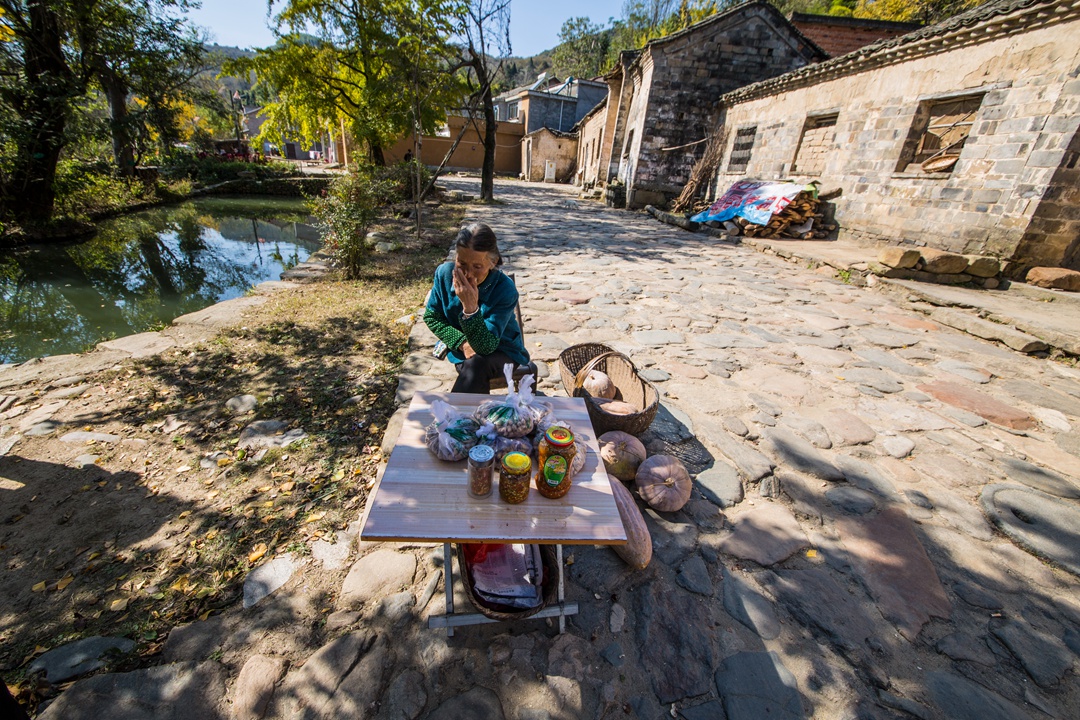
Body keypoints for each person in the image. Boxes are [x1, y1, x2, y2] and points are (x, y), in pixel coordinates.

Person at [424, 223, 530, 394]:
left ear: (493, 262)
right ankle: (472, 416)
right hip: (464, 349)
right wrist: (461, 342)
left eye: (477, 267)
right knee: (473, 366)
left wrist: (470, 309)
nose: (468, 274)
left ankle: (458, 415)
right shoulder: (444, 274)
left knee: (476, 364)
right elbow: (432, 317)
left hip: (503, 350)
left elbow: (485, 347)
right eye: (462, 263)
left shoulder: (505, 289)